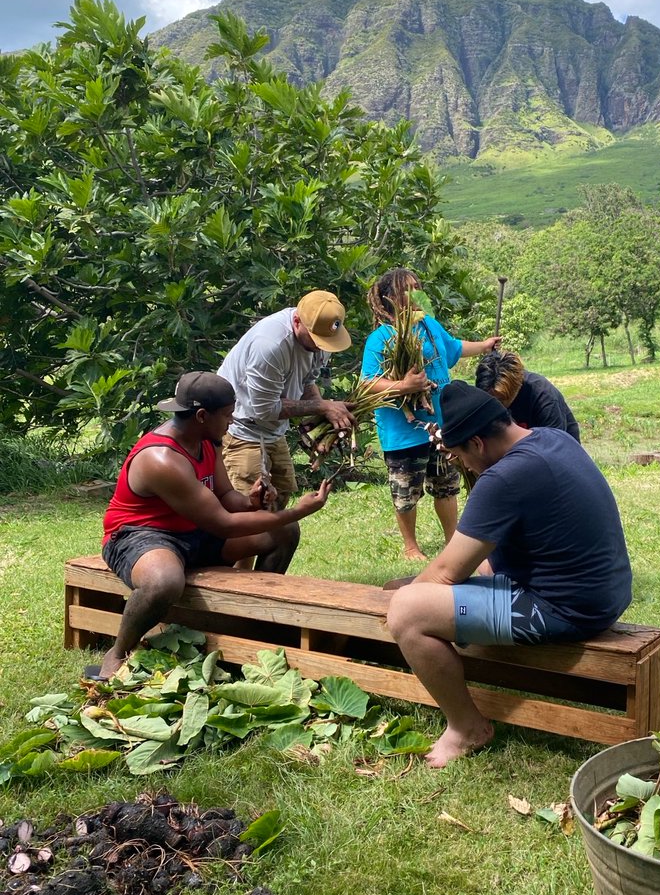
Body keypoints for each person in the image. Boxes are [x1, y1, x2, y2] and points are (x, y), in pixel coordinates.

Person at [386, 380, 632, 767]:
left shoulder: (503, 478)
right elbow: (475, 556)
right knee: (446, 581)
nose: (464, 466)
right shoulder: (551, 438)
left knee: (406, 612)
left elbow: (446, 572)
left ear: (478, 444)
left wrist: (414, 598)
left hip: (568, 609)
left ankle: (467, 728)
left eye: (461, 456)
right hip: (601, 592)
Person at [95, 371, 332, 680]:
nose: (232, 422)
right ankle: (118, 652)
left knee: (283, 533)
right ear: (202, 416)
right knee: (164, 582)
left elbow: (226, 496)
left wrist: (251, 501)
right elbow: (224, 525)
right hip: (140, 535)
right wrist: (298, 511)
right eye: (227, 415)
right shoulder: (162, 460)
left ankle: (254, 625)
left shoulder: (207, 441)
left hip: (193, 532)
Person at [361, 268, 500, 561]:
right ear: (389, 298)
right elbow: (368, 382)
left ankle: (453, 540)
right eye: (407, 288)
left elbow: (453, 348)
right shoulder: (381, 338)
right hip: (403, 431)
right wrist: (404, 386)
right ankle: (411, 547)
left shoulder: (429, 326)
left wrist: (484, 346)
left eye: (417, 286)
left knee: (446, 484)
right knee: (405, 492)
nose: (415, 292)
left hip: (441, 423)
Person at [218, 291, 353, 510]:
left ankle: (275, 544)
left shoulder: (323, 340)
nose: (321, 347)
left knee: (282, 493)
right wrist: (324, 405)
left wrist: (323, 421)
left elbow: (308, 382)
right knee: (251, 506)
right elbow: (264, 409)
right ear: (297, 321)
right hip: (243, 429)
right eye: (317, 340)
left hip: (274, 430)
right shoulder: (270, 345)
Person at [475, 349, 580, 441]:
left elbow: (553, 449)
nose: (495, 406)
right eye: (490, 400)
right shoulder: (485, 393)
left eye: (500, 401)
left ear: (516, 388)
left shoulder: (544, 397)